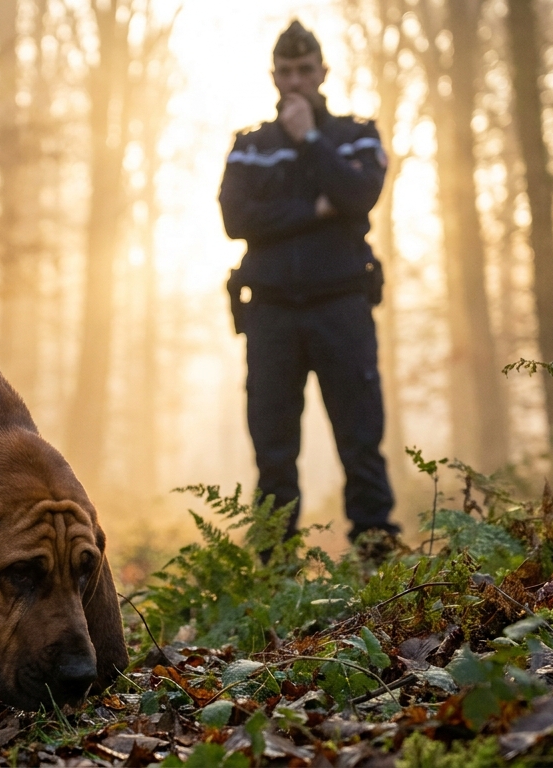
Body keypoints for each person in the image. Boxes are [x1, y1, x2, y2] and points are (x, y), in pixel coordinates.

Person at [219, 20, 398, 555]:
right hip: (271, 314)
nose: (295, 80)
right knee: (273, 452)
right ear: (273, 76)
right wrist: (317, 208)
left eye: (305, 70)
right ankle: (276, 570)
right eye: (286, 71)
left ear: (323, 72)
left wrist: (310, 141)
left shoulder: (356, 135)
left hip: (342, 306)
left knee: (361, 442)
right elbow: (235, 218)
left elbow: (359, 194)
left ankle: (377, 560)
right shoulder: (249, 147)